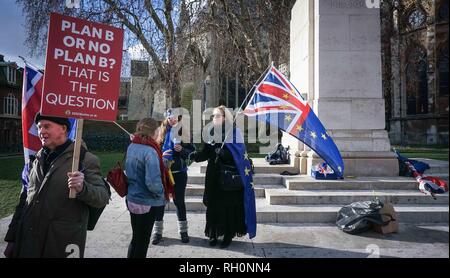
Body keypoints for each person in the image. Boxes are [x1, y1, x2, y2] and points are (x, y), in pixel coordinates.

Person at [3, 113, 110, 258]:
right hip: (27, 241)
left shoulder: (85, 159)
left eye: (47, 126)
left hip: (61, 244)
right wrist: (12, 238)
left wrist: (82, 188)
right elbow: (24, 200)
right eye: (39, 127)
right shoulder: (35, 160)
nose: (41, 131)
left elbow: (102, 197)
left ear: (63, 128)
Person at [191, 105, 257, 248]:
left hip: (228, 177)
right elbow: (206, 153)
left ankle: (228, 235)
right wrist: (192, 155)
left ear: (225, 117)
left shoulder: (234, 133)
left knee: (228, 208)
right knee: (213, 206)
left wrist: (224, 154)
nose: (214, 118)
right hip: (214, 176)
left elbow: (240, 155)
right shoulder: (210, 132)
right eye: (213, 116)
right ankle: (213, 234)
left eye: (217, 115)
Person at [126, 118, 173, 258]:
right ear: (152, 132)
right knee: (143, 241)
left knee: (136, 238)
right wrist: (162, 193)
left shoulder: (132, 146)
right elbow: (152, 183)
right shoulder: (150, 151)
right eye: (158, 130)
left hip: (132, 198)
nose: (159, 132)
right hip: (146, 202)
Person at [151, 109, 195, 245]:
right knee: (159, 202)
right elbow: (151, 150)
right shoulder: (159, 132)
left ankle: (183, 232)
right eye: (170, 118)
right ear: (167, 118)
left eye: (176, 117)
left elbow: (193, 152)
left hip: (179, 173)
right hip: (162, 173)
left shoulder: (184, 132)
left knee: (179, 202)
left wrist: (182, 150)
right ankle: (157, 233)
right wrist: (161, 156)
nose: (173, 120)